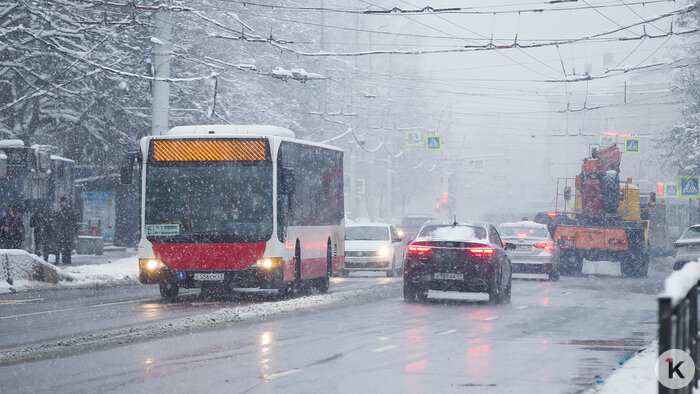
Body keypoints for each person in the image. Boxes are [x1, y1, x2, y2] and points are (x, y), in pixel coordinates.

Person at [53, 197, 77, 265]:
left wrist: (74, 231)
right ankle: (64, 260)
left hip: (67, 231)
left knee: (67, 246)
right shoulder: (60, 210)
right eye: (61, 202)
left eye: (63, 202)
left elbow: (73, 221)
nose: (62, 203)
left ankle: (67, 260)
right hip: (63, 231)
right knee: (63, 246)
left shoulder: (68, 210)